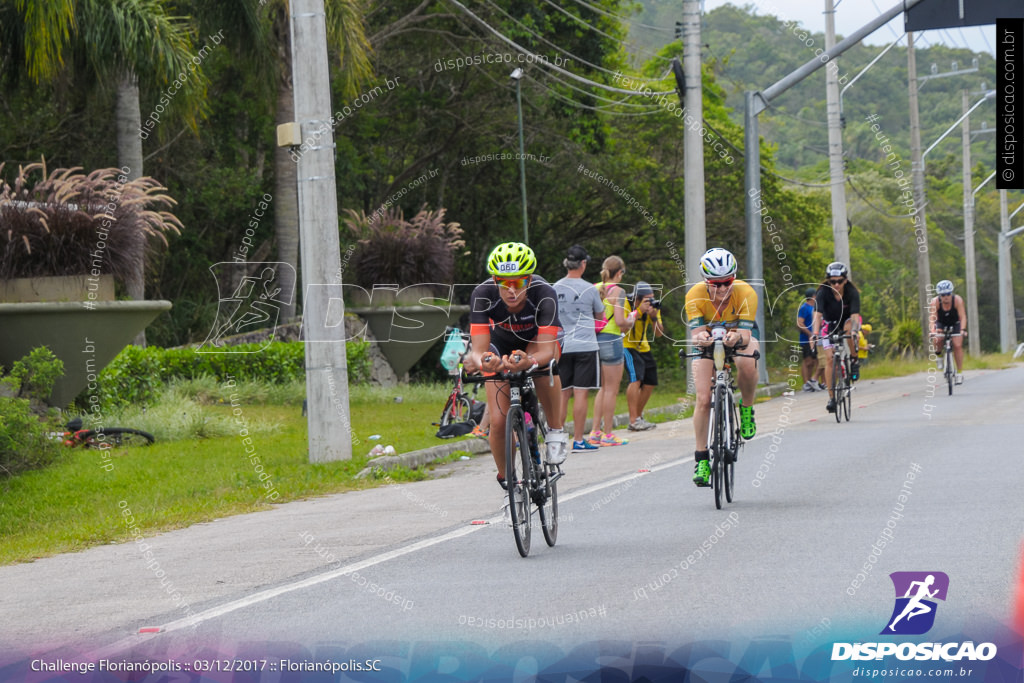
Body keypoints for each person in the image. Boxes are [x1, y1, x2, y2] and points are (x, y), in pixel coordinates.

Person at [463, 242, 569, 499]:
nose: (511, 291)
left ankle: (555, 430)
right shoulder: (482, 293)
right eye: (504, 283)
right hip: (500, 345)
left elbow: (545, 350)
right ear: (495, 279)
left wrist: (530, 362)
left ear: (529, 280)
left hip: (537, 343)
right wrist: (484, 361)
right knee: (498, 422)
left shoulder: (544, 293)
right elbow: (478, 350)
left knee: (542, 365)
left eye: (518, 283)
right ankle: (508, 480)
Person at [685, 248, 760, 487]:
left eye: (727, 282)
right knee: (703, 398)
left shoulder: (745, 292)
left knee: (747, 362)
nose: (721, 289)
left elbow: (746, 336)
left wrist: (735, 338)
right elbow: (696, 334)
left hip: (739, 334)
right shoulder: (694, 294)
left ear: (734, 277)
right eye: (715, 284)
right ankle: (702, 459)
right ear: (705, 281)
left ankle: (746, 409)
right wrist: (702, 340)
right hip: (708, 338)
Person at [553, 245, 605, 452]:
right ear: (583, 264)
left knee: (562, 394)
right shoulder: (590, 289)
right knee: (581, 394)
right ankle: (578, 440)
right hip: (585, 345)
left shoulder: (554, 288)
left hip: (561, 346)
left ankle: (557, 439)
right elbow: (600, 318)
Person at [589, 255, 635, 447]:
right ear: (619, 272)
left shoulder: (593, 288)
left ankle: (594, 432)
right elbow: (620, 321)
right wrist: (632, 318)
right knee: (612, 390)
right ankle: (608, 433)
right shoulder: (619, 291)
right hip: (612, 339)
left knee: (602, 388)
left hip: (594, 339)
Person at [811, 261, 862, 414]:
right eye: (833, 282)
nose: (836, 285)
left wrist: (853, 331)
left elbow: (854, 317)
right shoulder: (823, 293)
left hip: (848, 321)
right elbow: (817, 316)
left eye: (840, 281)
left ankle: (853, 359)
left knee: (850, 332)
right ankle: (832, 398)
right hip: (830, 323)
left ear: (845, 280)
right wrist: (814, 334)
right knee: (829, 359)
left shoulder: (852, 292)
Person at [623, 281, 664, 431]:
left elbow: (659, 334)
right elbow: (624, 325)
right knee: (636, 377)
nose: (650, 302)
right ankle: (633, 420)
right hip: (626, 344)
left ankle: (639, 417)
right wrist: (639, 311)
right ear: (637, 300)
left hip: (642, 346)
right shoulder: (626, 303)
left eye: (651, 298)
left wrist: (653, 317)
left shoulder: (653, 307)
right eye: (647, 300)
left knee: (651, 381)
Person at [928, 280, 967, 384]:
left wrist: (962, 330)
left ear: (952, 293)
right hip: (940, 322)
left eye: (948, 294)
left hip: (955, 322)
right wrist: (932, 331)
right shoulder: (935, 302)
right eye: (943, 295)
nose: (946, 297)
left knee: (957, 345)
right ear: (940, 295)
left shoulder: (957, 300)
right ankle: (939, 356)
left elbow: (963, 316)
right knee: (938, 338)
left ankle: (959, 373)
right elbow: (932, 318)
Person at [797, 287, 825, 392]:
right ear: (813, 296)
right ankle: (806, 383)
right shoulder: (804, 307)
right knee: (807, 361)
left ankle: (813, 382)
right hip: (806, 338)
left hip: (815, 338)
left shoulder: (815, 308)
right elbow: (800, 322)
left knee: (816, 360)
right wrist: (809, 334)